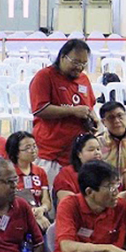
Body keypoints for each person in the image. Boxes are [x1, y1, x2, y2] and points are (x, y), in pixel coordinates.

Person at [28, 38, 97, 183]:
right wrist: (72, 111)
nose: (79, 67)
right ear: (62, 57)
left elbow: (89, 106)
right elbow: (40, 109)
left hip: (77, 155)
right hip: (51, 154)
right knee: (52, 201)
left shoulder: (84, 79)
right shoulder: (44, 76)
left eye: (83, 64)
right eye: (76, 62)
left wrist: (93, 118)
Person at [5, 130, 53, 225]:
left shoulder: (40, 172)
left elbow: (46, 200)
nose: (33, 150)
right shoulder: (7, 173)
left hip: (40, 215)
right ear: (16, 152)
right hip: (16, 218)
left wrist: (42, 209)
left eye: (34, 146)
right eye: (27, 148)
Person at [51, 131, 102, 206]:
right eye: (91, 150)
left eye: (98, 149)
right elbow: (68, 202)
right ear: (79, 154)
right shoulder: (66, 173)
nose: (97, 152)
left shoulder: (105, 172)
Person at [97, 100, 126, 172]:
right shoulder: (98, 143)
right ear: (103, 122)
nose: (117, 121)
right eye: (111, 118)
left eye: (120, 116)